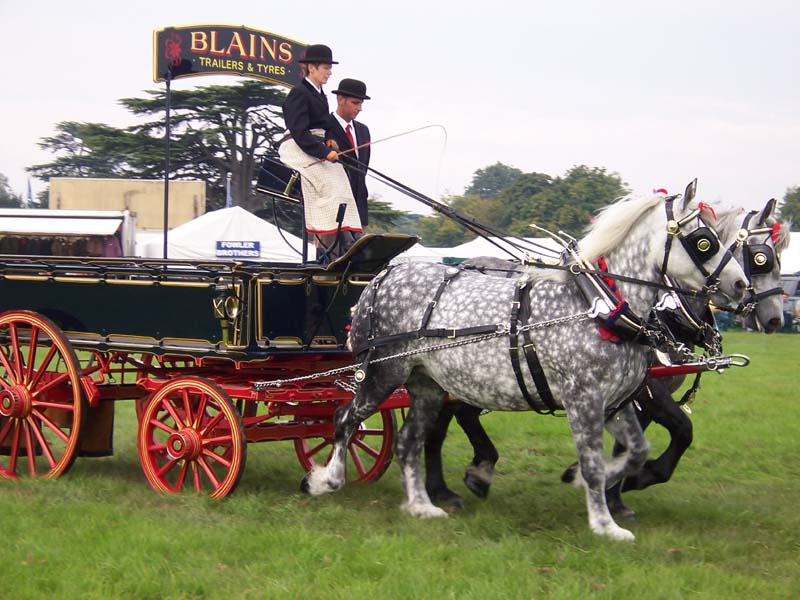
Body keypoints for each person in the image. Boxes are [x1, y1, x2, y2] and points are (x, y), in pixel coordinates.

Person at [278, 44, 362, 262]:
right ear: (311, 68)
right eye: (325, 67)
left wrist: (329, 140)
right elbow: (299, 131)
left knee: (341, 178)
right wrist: (324, 152)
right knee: (328, 183)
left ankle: (348, 234)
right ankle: (329, 238)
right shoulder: (299, 93)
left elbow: (322, 125)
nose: (329, 72)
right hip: (297, 147)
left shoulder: (321, 95)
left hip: (315, 146)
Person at [327, 78, 372, 228]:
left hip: (359, 209)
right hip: (332, 209)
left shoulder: (363, 131)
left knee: (358, 251)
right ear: (340, 99)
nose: (359, 108)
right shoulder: (325, 126)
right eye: (355, 103)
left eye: (361, 104)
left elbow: (363, 170)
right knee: (332, 250)